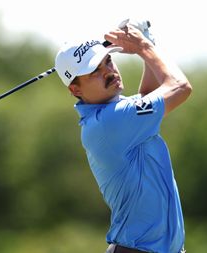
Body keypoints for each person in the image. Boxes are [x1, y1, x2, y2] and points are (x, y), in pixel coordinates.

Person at [54, 22, 192, 253]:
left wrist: (148, 44)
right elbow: (180, 87)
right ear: (75, 90)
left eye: (107, 61)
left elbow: (149, 97)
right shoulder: (109, 122)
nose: (108, 71)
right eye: (94, 70)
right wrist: (143, 47)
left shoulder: (116, 114)